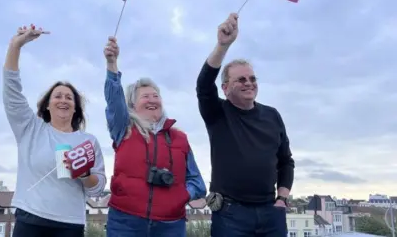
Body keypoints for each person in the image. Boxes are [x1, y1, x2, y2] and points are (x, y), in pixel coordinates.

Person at [196, 13, 295, 237]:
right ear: (225, 88)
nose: (248, 83)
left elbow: (285, 161)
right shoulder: (217, 113)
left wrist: (282, 198)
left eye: (252, 79)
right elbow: (203, 85)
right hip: (231, 215)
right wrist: (223, 45)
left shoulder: (273, 116)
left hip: (271, 213)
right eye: (241, 79)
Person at [3, 24, 107, 237]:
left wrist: (85, 174)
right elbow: (12, 92)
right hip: (30, 218)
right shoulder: (30, 129)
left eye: (69, 97)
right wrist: (16, 46)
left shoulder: (88, 141)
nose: (63, 100)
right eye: (57, 96)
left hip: (69, 224)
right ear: (47, 105)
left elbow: (96, 188)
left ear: (76, 107)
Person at [103, 36, 207, 236]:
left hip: (170, 225)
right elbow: (114, 102)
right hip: (126, 222)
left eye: (156, 96)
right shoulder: (123, 128)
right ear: (132, 105)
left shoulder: (180, 138)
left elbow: (197, 182)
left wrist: (181, 195)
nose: (152, 100)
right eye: (145, 97)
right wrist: (112, 65)